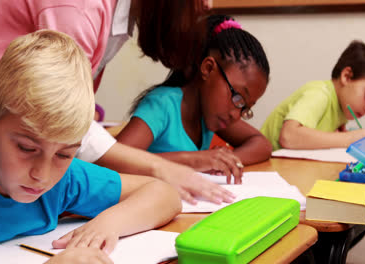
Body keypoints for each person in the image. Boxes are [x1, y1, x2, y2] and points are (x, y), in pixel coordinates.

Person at [0, 0, 232, 205]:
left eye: (64, 155)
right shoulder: (77, 8)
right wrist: (159, 168)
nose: (206, 4)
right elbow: (58, 118)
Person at [0, 30, 181, 262]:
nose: (41, 175)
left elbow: (163, 194)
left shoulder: (62, 178)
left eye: (65, 154)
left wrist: (108, 224)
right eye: (26, 148)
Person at [116, 15, 273, 184]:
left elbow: (261, 144)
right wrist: (195, 160)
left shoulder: (210, 114)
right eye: (238, 98)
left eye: (245, 108)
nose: (237, 115)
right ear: (208, 68)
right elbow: (112, 161)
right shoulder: (163, 105)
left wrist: (224, 160)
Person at [261, 40, 365, 150]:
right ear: (347, 76)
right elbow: (289, 136)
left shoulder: (342, 108)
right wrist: (349, 138)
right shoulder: (320, 94)